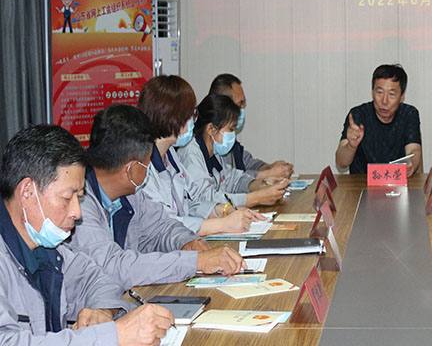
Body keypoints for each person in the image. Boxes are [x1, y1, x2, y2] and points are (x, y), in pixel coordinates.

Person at [0, 124, 173, 345]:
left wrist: (102, 311)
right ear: (27, 191)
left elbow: (101, 280)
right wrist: (113, 336)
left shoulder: (49, 251)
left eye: (80, 197)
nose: (77, 212)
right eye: (67, 198)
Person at [67, 104, 246, 290]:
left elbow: (163, 227)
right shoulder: (79, 204)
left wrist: (188, 242)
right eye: (146, 164)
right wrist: (196, 262)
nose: (148, 171)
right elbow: (115, 267)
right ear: (131, 169)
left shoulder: (131, 195)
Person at [137, 75, 264, 236]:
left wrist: (224, 210)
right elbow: (164, 224)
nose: (194, 120)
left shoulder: (170, 155)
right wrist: (221, 224)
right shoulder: (141, 166)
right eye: (190, 114)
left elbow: (191, 202)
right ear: (170, 116)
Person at [178, 94, 288, 208]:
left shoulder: (215, 150)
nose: (233, 135)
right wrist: (255, 198)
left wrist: (261, 184)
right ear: (211, 129)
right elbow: (205, 198)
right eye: (231, 129)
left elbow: (232, 179)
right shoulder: (191, 154)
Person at [335, 64, 422, 176]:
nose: (384, 101)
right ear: (372, 92)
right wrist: (351, 146)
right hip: (362, 184)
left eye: (391, 94)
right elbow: (341, 163)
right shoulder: (358, 115)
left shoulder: (409, 114)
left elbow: (414, 150)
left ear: (401, 97)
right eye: (379, 92)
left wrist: (411, 164)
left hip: (398, 182)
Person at [208, 73, 293, 181]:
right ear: (223, 104)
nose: (242, 109)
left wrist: (270, 167)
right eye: (240, 104)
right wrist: (267, 174)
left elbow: (247, 162)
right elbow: (228, 179)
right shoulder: (211, 140)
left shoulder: (228, 138)